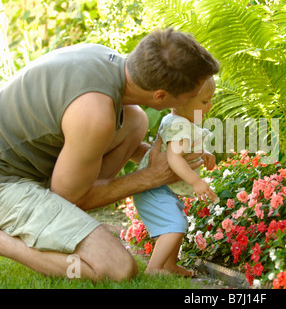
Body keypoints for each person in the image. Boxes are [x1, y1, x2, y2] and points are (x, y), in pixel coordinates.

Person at [0, 28, 220, 281]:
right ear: (161, 96)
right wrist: (152, 177)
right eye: (192, 97)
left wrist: (162, 159)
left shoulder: (105, 61)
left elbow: (89, 141)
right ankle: (5, 241)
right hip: (6, 182)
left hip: (23, 163)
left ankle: (56, 226)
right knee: (117, 269)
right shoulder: (95, 115)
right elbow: (70, 198)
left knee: (135, 119)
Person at [133, 77, 218, 277]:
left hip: (161, 187)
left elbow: (181, 149)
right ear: (181, 103)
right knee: (175, 225)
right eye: (205, 102)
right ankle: (153, 269)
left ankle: (170, 264)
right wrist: (196, 181)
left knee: (178, 221)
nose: (210, 106)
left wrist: (202, 152)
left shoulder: (180, 122)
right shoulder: (180, 125)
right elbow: (174, 157)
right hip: (154, 188)